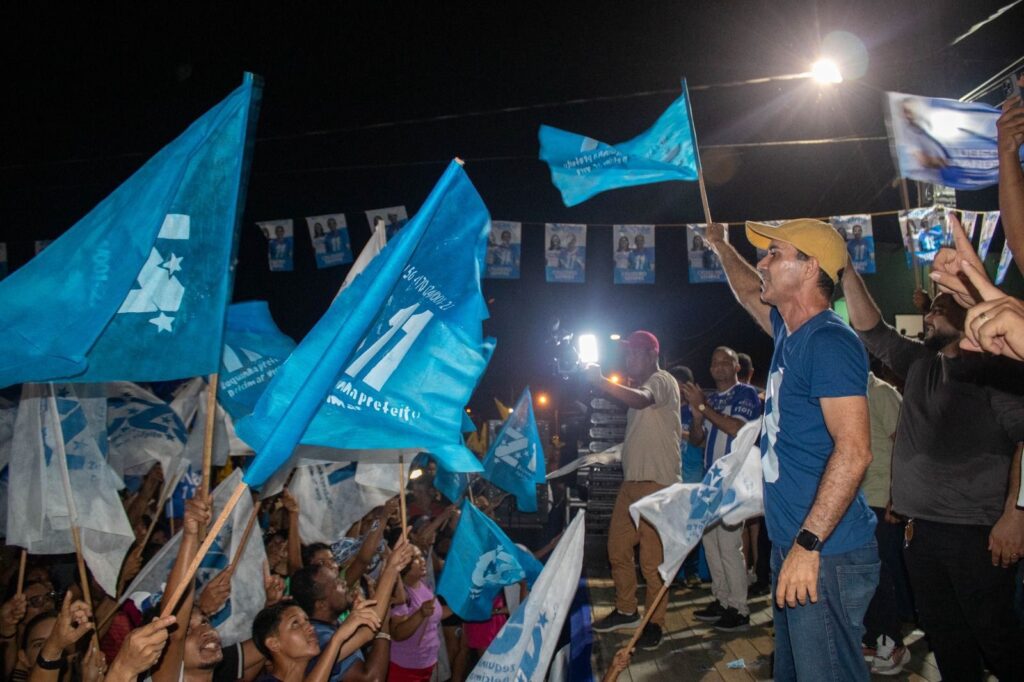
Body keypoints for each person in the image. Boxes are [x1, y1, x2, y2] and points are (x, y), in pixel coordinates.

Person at [843, 243, 1024, 680]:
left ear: (966, 317)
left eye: (938, 310)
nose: (927, 317)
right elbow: (871, 329)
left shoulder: (993, 371)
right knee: (946, 639)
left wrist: (1016, 515)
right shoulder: (921, 362)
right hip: (919, 531)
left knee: (998, 639)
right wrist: (845, 268)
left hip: (975, 534)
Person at [706, 219, 877, 681]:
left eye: (774, 254)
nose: (762, 263)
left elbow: (855, 451)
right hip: (795, 545)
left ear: (810, 267)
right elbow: (748, 291)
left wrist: (808, 544)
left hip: (825, 551)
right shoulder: (790, 330)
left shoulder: (830, 341)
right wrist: (720, 246)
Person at [588, 331, 682, 651]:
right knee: (617, 549)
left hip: (658, 486)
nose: (628, 358)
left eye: (635, 353)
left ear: (653, 354)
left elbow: (642, 399)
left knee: (652, 562)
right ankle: (627, 610)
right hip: (632, 484)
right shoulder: (640, 389)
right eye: (626, 353)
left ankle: (654, 623)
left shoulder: (662, 380)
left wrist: (601, 381)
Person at [682, 347, 761, 631]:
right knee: (711, 544)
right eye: (714, 362)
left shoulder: (746, 394)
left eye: (725, 361)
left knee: (728, 545)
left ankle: (739, 608)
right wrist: (698, 418)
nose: (718, 366)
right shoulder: (713, 399)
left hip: (734, 480)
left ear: (737, 366)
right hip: (711, 479)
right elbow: (697, 441)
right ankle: (722, 599)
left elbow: (736, 428)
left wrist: (703, 408)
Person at [858, 367, 911, 675]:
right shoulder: (849, 394)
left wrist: (897, 494)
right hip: (858, 501)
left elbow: (905, 444)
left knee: (881, 575)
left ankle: (894, 643)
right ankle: (871, 638)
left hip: (881, 499)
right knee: (864, 574)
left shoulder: (880, 392)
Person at [389, 546, 444, 681]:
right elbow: (397, 634)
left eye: (422, 556)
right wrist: (420, 614)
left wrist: (461, 608)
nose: (422, 560)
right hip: (406, 668)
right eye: (416, 558)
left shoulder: (423, 584)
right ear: (404, 564)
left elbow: (434, 616)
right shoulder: (400, 594)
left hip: (427, 663)